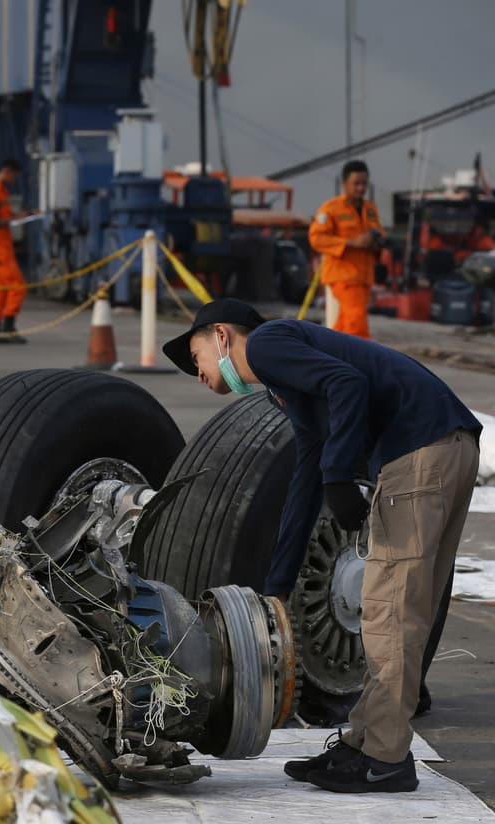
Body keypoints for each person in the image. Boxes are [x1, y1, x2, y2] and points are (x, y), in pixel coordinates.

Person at [163, 299, 481, 795]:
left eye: (194, 353)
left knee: (389, 614)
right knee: (399, 613)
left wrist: (340, 477)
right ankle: (365, 744)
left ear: (221, 335)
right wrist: (279, 586)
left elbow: (347, 385)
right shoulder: (285, 386)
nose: (195, 370)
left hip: (418, 452)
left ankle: (385, 761)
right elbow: (305, 474)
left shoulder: (267, 345)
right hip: (442, 447)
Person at [310, 160, 383, 339]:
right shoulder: (331, 209)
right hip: (344, 276)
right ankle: (360, 364)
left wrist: (376, 241)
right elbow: (316, 238)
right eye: (356, 183)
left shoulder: (370, 208)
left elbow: (379, 232)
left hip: (364, 276)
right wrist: (352, 242)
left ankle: (330, 358)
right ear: (344, 184)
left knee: (342, 327)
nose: (360, 188)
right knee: (357, 328)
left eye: (364, 184)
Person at [0, 159, 32, 344]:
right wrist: (15, 218)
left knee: (1, 287)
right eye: (14, 175)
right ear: (7, 171)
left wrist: (20, 216)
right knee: (18, 285)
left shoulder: (2, 191)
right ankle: (8, 326)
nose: (14, 179)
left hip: (3, 244)